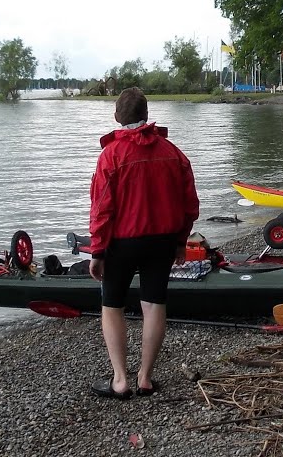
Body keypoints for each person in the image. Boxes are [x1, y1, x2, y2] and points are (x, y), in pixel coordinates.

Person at [87, 87, 200, 399]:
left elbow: (101, 207)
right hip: (162, 240)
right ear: (146, 115)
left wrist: (97, 250)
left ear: (117, 117)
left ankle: (120, 380)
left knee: (112, 306)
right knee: (154, 304)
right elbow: (189, 203)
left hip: (122, 242)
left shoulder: (111, 155)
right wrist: (180, 241)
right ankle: (146, 378)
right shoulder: (172, 152)